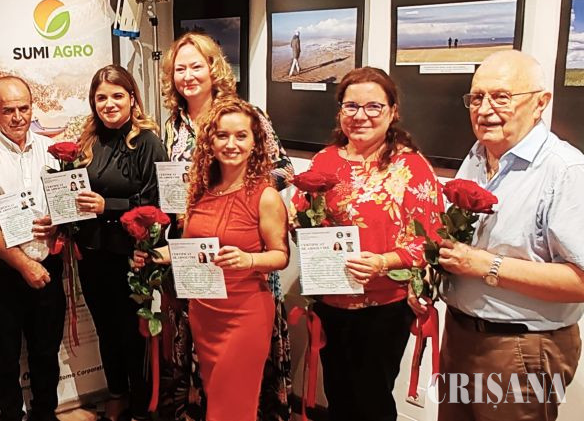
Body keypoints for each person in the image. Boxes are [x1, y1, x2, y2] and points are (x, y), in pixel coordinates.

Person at [419, 51, 584, 420]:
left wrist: (486, 266)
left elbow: (581, 281)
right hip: (461, 334)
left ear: (540, 103)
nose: (484, 109)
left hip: (522, 348)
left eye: (501, 97)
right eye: (477, 97)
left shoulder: (566, 171)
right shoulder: (478, 156)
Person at [293, 67, 443, 421]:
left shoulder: (410, 167)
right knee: (339, 396)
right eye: (351, 106)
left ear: (392, 112)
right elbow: (302, 218)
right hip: (332, 300)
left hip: (384, 306)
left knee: (372, 400)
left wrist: (383, 261)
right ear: (340, 111)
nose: (360, 116)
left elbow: (430, 240)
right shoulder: (325, 160)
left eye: (373, 106)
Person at [160, 31, 295, 421]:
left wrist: (246, 194)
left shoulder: (245, 114)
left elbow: (284, 169)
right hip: (199, 268)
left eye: (196, 66)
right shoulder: (172, 125)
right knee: (208, 384)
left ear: (213, 68)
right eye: (180, 69)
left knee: (239, 392)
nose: (188, 75)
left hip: (244, 270)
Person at [0, 76, 64, 421]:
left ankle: (45, 413)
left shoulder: (50, 149)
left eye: (24, 108)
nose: (18, 117)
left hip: (47, 262)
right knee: (3, 351)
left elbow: (61, 204)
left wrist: (58, 222)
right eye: (8, 110)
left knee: (46, 349)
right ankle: (9, 415)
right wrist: (23, 264)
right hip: (1, 269)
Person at [74, 65, 168, 421]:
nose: (109, 104)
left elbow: (156, 202)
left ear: (132, 98)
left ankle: (143, 405)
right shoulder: (89, 141)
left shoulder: (147, 142)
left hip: (131, 255)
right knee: (106, 330)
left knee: (133, 332)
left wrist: (107, 206)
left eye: (117, 96)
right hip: (93, 253)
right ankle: (116, 393)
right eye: (101, 98)